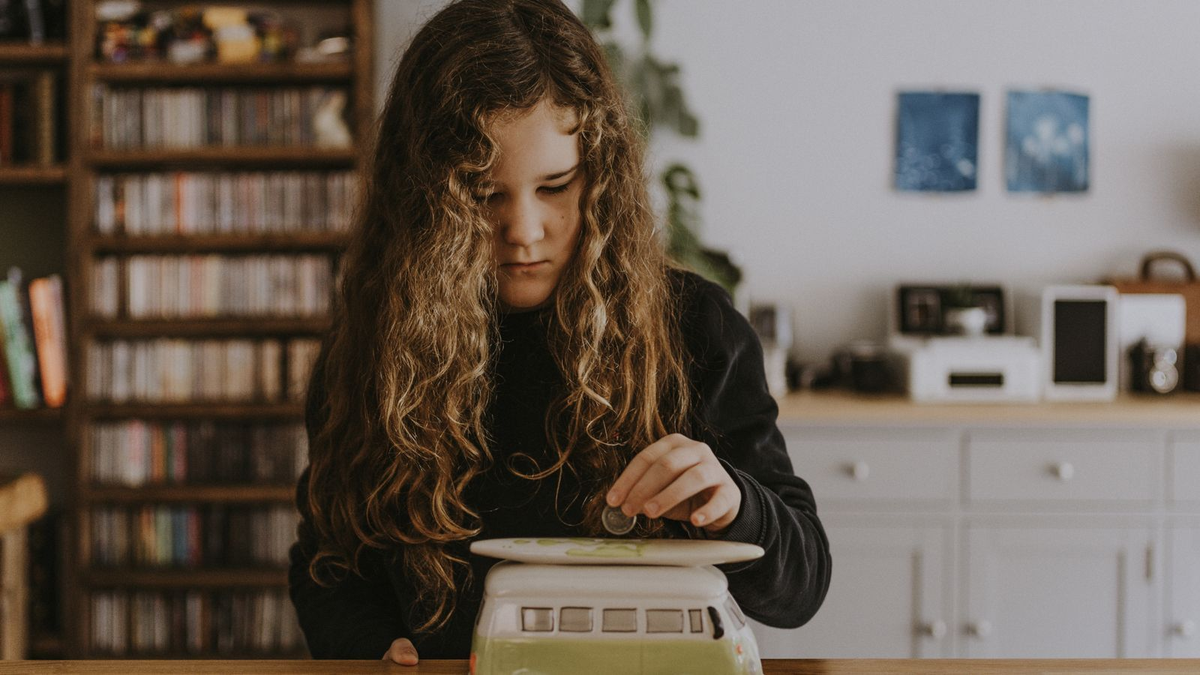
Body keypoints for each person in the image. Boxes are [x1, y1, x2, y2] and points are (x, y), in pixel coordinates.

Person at [288, 0, 831, 664]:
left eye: (555, 186)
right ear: (424, 198)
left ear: (600, 176)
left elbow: (802, 586)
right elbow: (328, 563)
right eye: (483, 194)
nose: (522, 230)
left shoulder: (697, 328)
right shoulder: (376, 346)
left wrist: (736, 504)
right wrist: (368, 645)